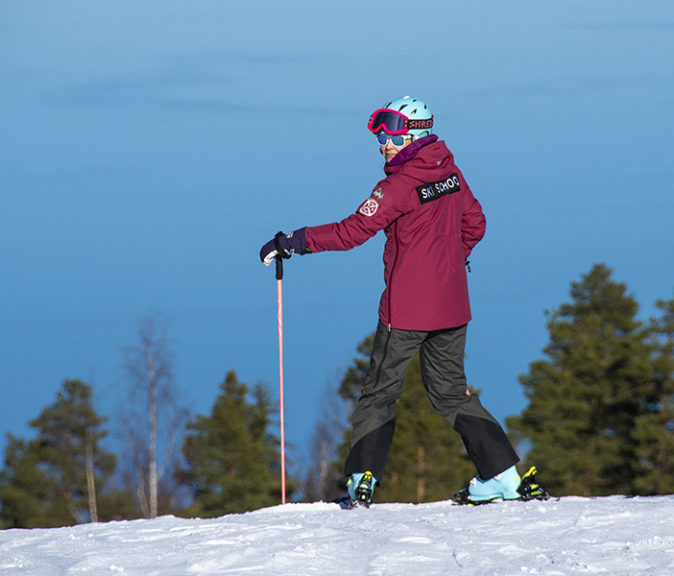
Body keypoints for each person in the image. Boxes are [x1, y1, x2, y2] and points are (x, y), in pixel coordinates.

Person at [259, 96, 547, 507]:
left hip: (406, 310)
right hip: (451, 305)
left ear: (412, 134)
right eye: (381, 133)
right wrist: (449, 261)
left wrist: (293, 242)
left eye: (390, 133)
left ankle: (362, 480)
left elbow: (351, 232)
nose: (383, 143)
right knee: (451, 393)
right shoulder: (449, 171)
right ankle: (503, 477)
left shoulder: (398, 185)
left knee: (379, 392)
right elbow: (475, 223)